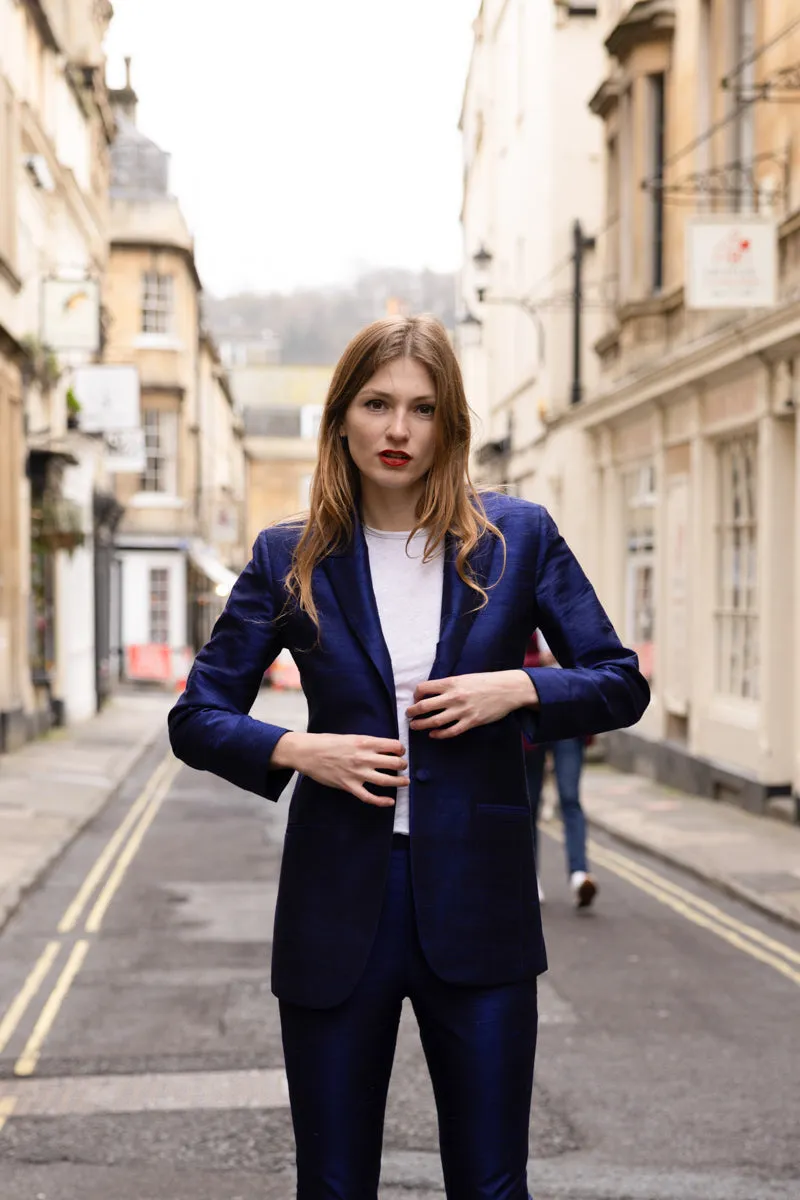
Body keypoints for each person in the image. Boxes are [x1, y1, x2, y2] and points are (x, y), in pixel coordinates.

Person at [168, 314, 649, 1200]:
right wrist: (296, 749)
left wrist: (521, 690)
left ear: (450, 424)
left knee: (493, 1185)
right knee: (336, 1185)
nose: (398, 431)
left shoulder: (518, 539)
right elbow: (196, 716)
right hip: (338, 904)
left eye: (422, 410)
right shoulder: (289, 555)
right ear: (342, 419)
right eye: (378, 404)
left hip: (482, 902)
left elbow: (619, 681)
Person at [523, 631, 597, 909]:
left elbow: (589, 663)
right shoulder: (521, 610)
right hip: (531, 719)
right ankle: (531, 877)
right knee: (529, 801)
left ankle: (580, 874)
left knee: (570, 797)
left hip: (567, 717)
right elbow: (504, 666)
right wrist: (540, 660)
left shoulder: (565, 616)